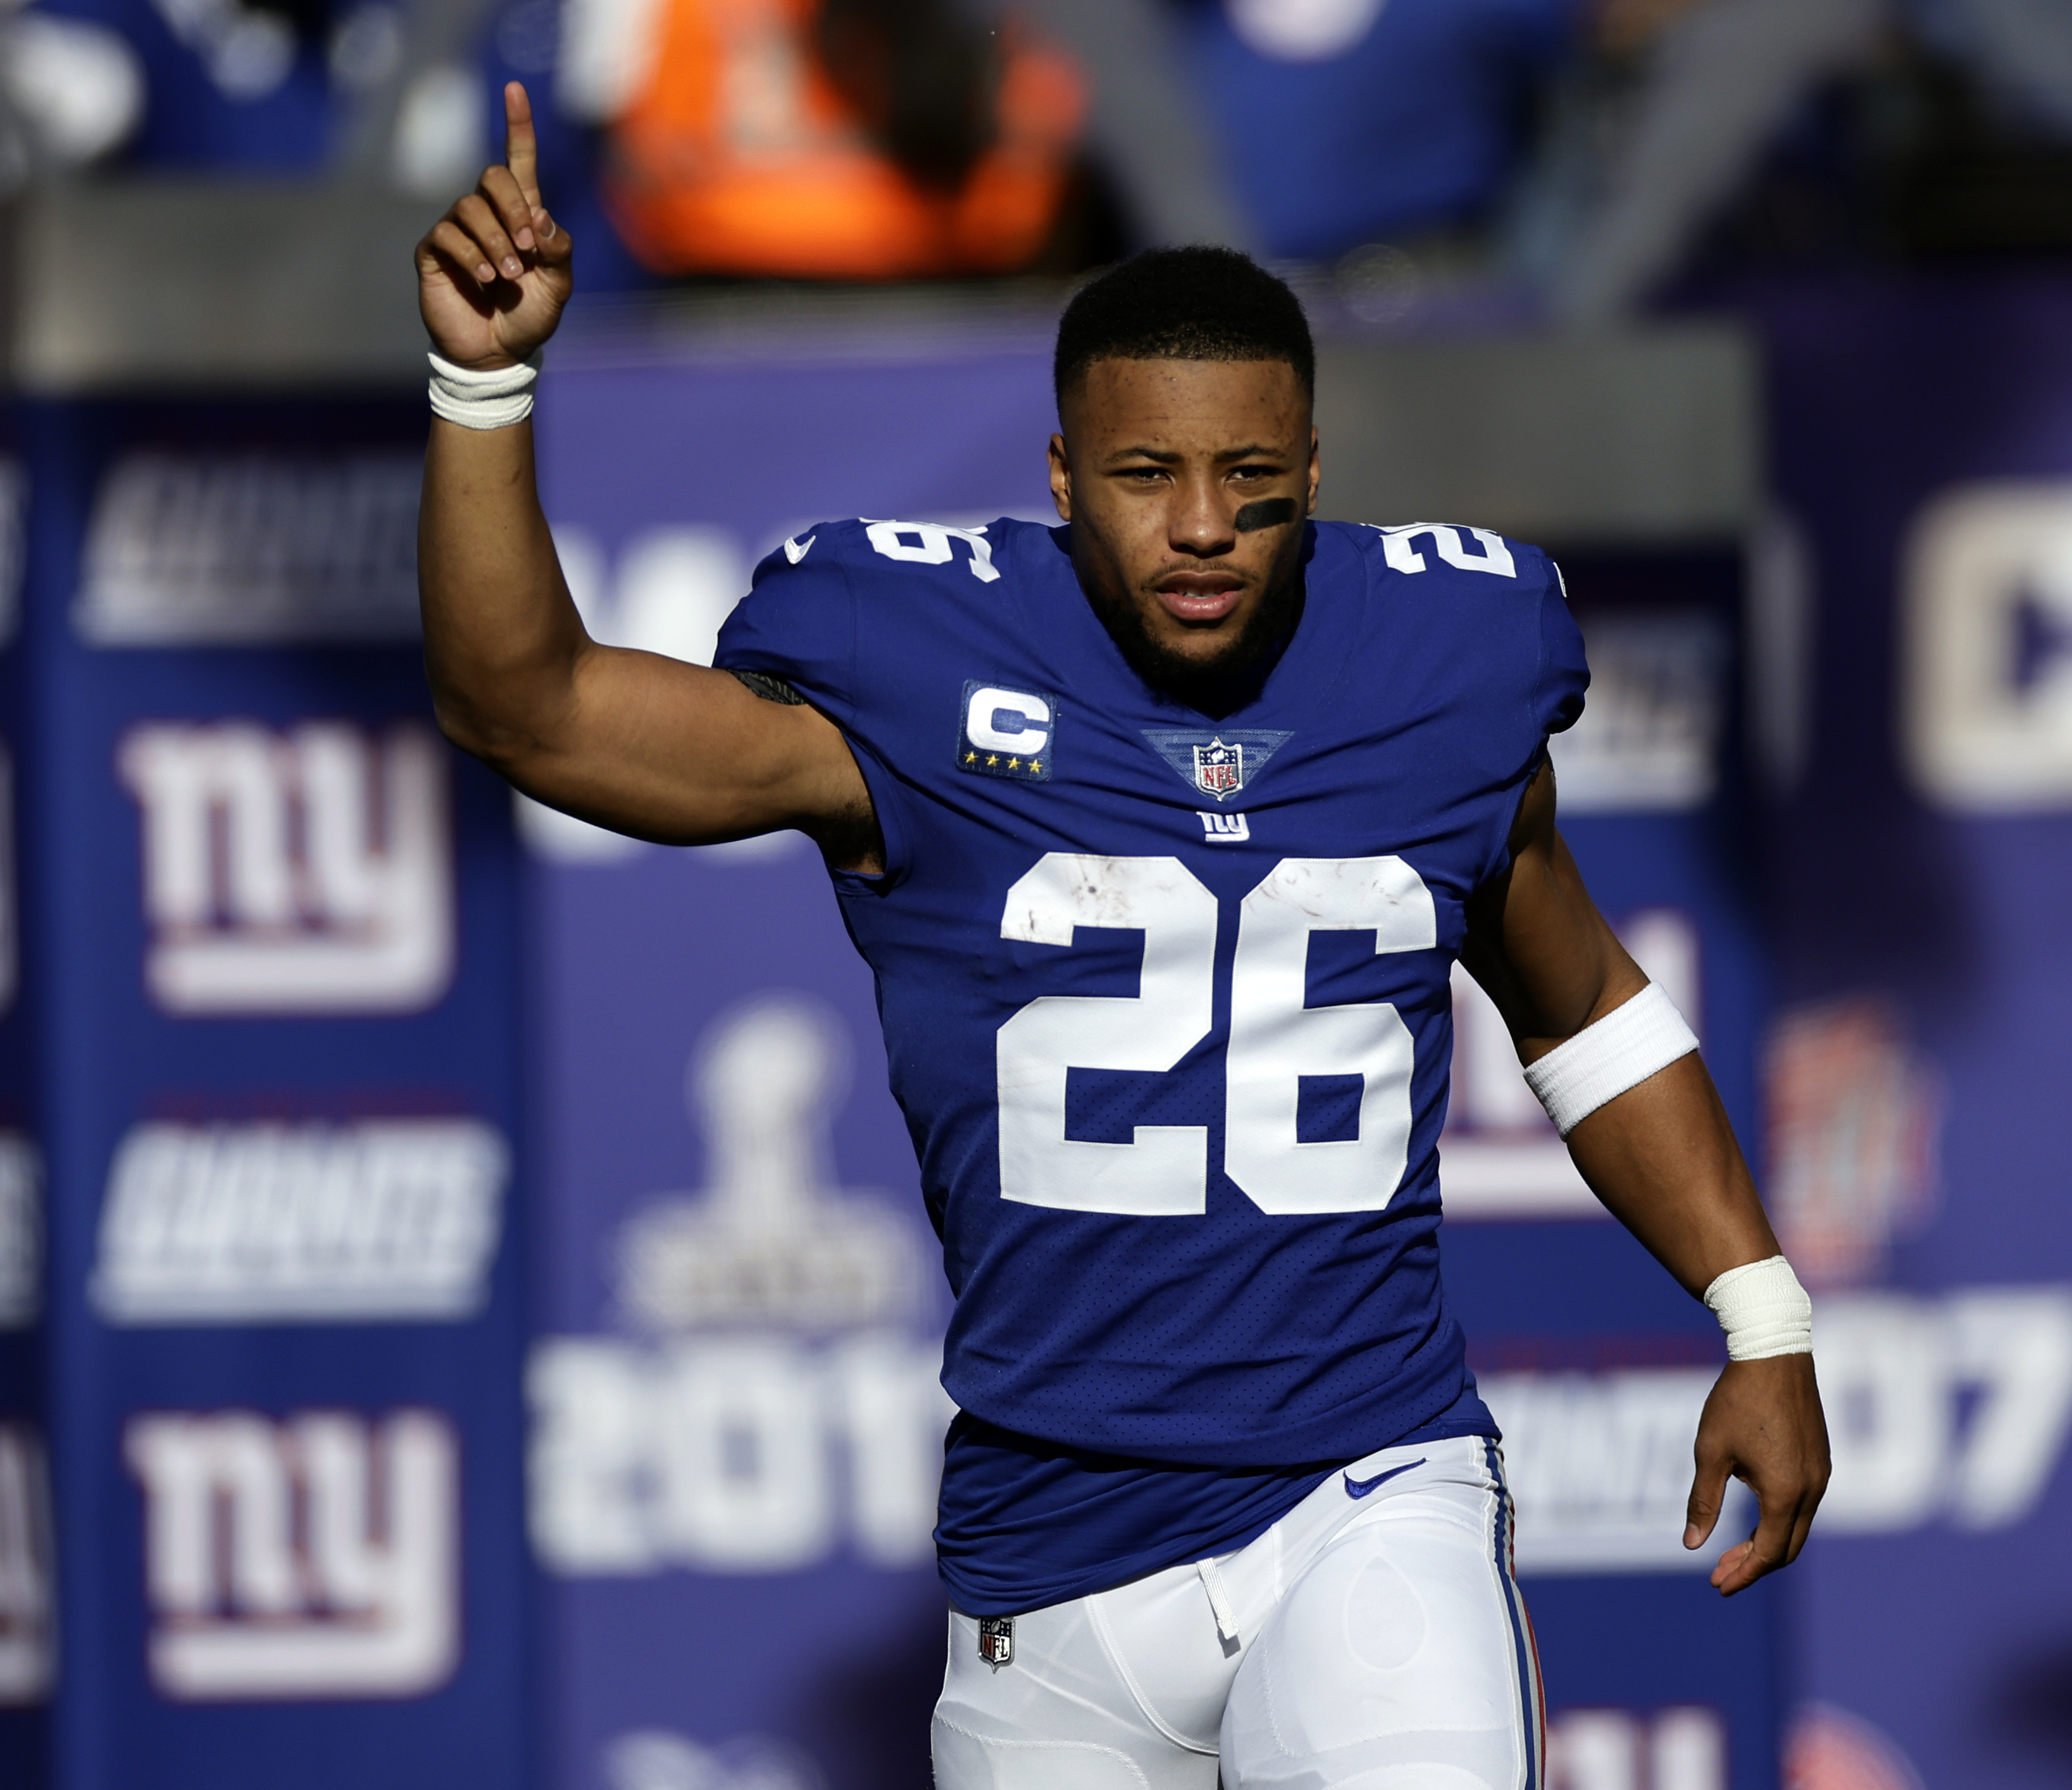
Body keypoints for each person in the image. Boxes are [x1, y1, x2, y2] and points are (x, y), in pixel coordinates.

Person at [416, 84, 1830, 1789]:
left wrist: (1759, 1318)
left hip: (1362, 1491)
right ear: (1060, 476)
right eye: (1147, 476)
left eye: (1250, 476)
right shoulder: (914, 663)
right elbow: (530, 709)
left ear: (1314, 465)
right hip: (1053, 1549)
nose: (1203, 528)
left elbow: (1583, 1005)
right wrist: (482, 388)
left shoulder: (1439, 659)